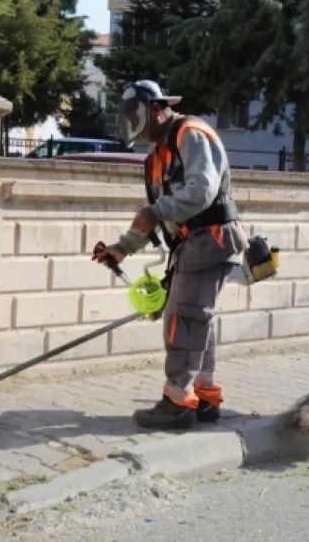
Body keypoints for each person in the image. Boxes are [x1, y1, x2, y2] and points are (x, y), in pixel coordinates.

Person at [93, 80, 248, 430]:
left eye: (139, 115)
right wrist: (122, 248)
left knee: (184, 319)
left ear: (158, 109)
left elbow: (202, 192)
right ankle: (204, 397)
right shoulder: (155, 158)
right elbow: (152, 214)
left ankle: (177, 402)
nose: (136, 124)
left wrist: (156, 211)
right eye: (130, 117)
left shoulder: (189, 133)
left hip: (211, 238)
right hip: (194, 243)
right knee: (197, 318)